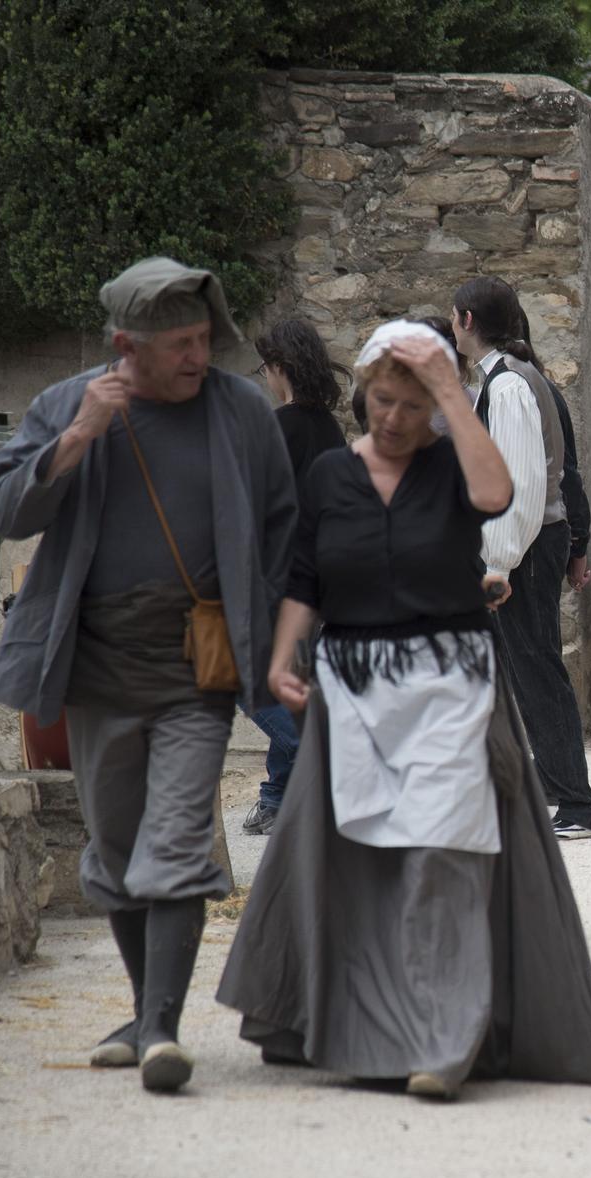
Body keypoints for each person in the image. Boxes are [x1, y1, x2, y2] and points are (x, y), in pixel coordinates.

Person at [216, 320, 591, 1100]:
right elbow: (305, 577)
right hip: (353, 687)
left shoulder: (452, 465)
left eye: (410, 404)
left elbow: (499, 494)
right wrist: (280, 658)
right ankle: (362, 1027)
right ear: (362, 395)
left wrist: (449, 391)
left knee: (442, 849)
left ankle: (443, 1039)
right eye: (381, 401)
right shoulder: (332, 474)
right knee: (364, 861)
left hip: (449, 683)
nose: (393, 418)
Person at [0, 257, 298, 1092]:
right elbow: (7, 509)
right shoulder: (68, 403)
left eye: (204, 339)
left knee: (176, 838)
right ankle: (142, 1007)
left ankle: (161, 1028)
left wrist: (268, 634)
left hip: (198, 667)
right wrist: (79, 435)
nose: (199, 356)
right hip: (95, 665)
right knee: (117, 847)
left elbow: (279, 526)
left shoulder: (240, 412)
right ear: (127, 346)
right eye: (180, 345)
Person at [448, 277, 591, 842]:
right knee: (528, 668)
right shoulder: (508, 378)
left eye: (453, 316)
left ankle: (576, 804)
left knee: (537, 670)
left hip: (530, 545)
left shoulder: (510, 386)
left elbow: (518, 483)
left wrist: (499, 561)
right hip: (534, 543)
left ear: (466, 320)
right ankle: (553, 788)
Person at [240, 317, 348, 836]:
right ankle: (278, 797)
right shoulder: (330, 428)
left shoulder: (276, 428)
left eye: (265, 367)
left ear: (280, 368)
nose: (264, 377)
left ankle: (321, 756)